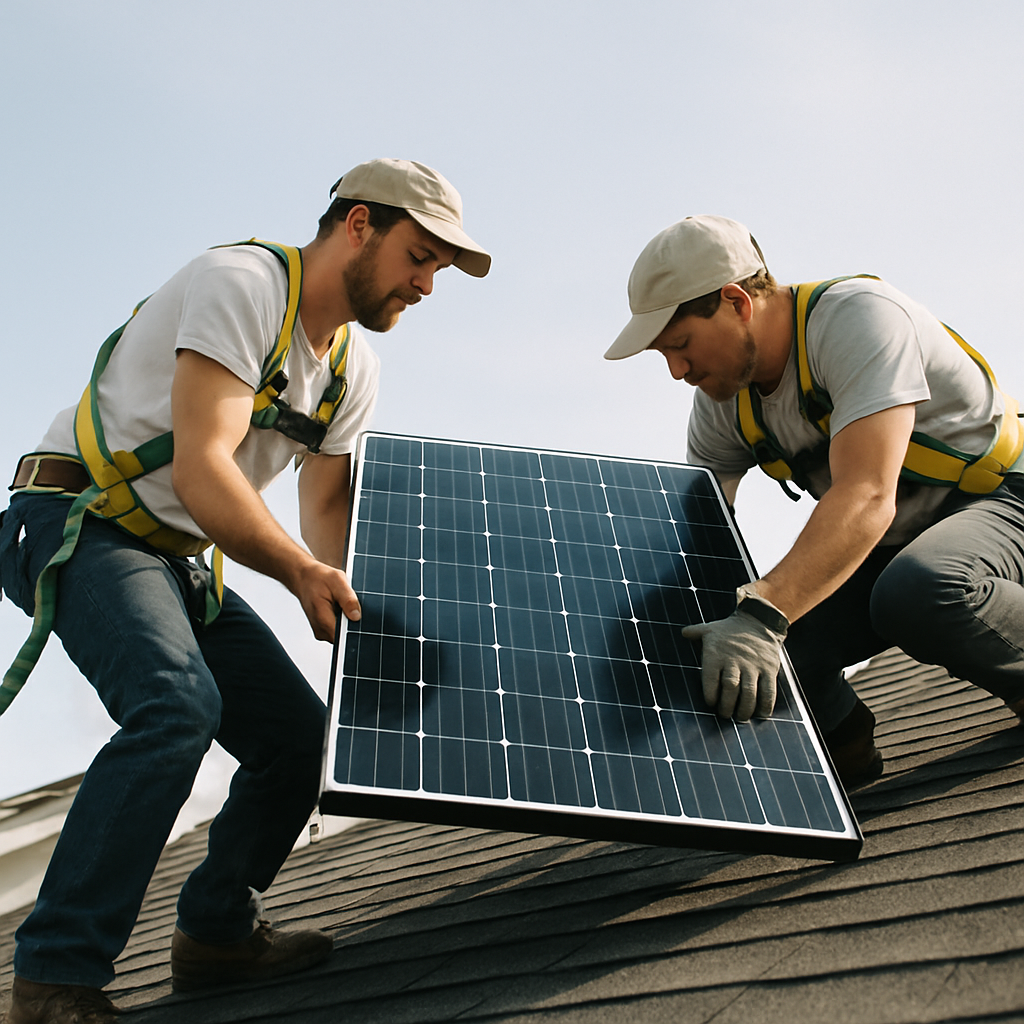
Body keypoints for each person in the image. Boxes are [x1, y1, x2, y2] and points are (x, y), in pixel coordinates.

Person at [0, 158, 490, 1023]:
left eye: (439, 270)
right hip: (77, 520)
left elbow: (328, 507)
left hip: (176, 555)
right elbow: (202, 470)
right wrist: (297, 572)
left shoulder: (350, 368)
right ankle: (52, 980)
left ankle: (216, 935)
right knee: (175, 705)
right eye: (420, 256)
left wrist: (359, 606)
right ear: (359, 225)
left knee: (304, 743)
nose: (426, 283)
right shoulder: (244, 284)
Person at [605, 215, 1024, 788]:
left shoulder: (857, 317)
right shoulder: (721, 403)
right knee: (742, 659)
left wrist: (760, 614)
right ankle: (846, 753)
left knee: (919, 589)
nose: (677, 371)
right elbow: (698, 545)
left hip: (999, 499)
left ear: (735, 302)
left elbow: (868, 493)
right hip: (890, 541)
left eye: (679, 345)